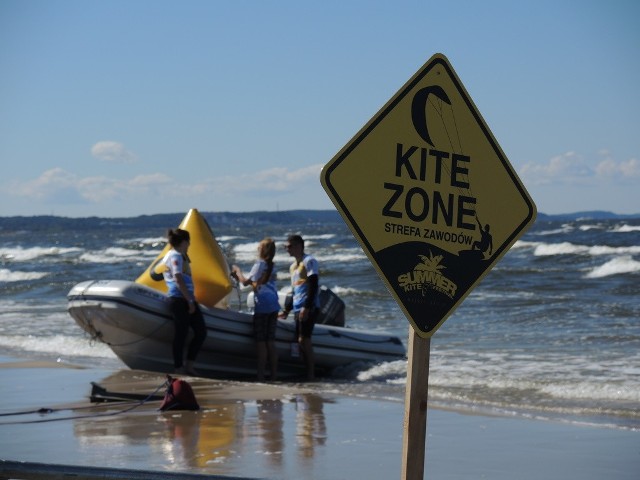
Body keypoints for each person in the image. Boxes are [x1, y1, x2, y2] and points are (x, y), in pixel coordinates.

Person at [231, 238, 280, 381]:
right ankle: (274, 375)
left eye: (259, 247)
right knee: (270, 342)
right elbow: (258, 283)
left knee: (261, 342)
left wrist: (237, 271)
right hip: (274, 305)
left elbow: (245, 282)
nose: (257, 249)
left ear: (262, 250)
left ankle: (260, 375)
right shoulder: (272, 265)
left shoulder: (260, 265)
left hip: (263, 306)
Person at [162, 228, 207, 376]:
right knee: (181, 334)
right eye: (188, 241)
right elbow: (178, 277)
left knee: (201, 331)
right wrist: (190, 301)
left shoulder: (179, 255)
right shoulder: (175, 256)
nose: (189, 244)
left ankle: (189, 365)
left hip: (186, 298)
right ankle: (179, 367)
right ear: (184, 242)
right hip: (179, 299)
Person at [278, 234, 320, 381]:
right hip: (297, 307)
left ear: (298, 246)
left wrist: (307, 307)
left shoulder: (309, 261)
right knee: (298, 342)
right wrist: (286, 311)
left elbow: (313, 285)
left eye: (288, 246)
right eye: (285, 247)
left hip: (308, 306)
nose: (286, 249)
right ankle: (303, 372)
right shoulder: (292, 267)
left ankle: (311, 374)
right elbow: (294, 290)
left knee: (304, 339)